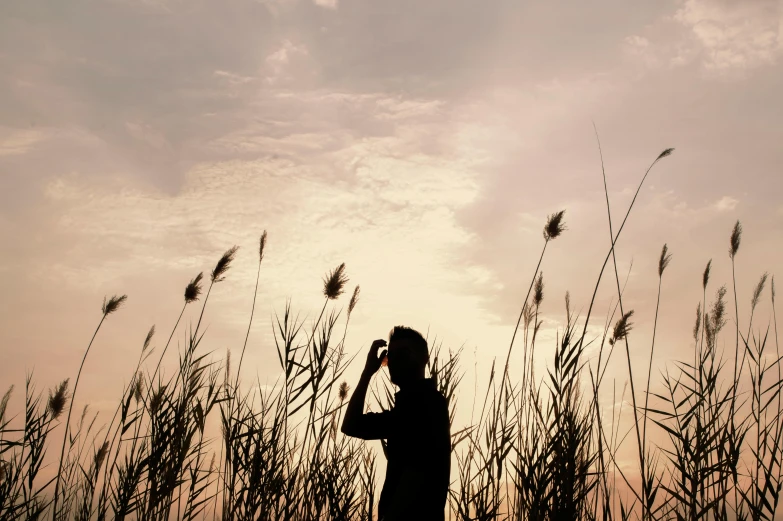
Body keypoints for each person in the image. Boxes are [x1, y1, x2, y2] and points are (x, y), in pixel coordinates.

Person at [341, 326, 451, 521]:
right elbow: (352, 426)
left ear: (424, 358)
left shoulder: (426, 404)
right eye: (390, 356)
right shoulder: (406, 409)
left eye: (403, 354)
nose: (394, 362)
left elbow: (417, 471)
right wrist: (367, 373)